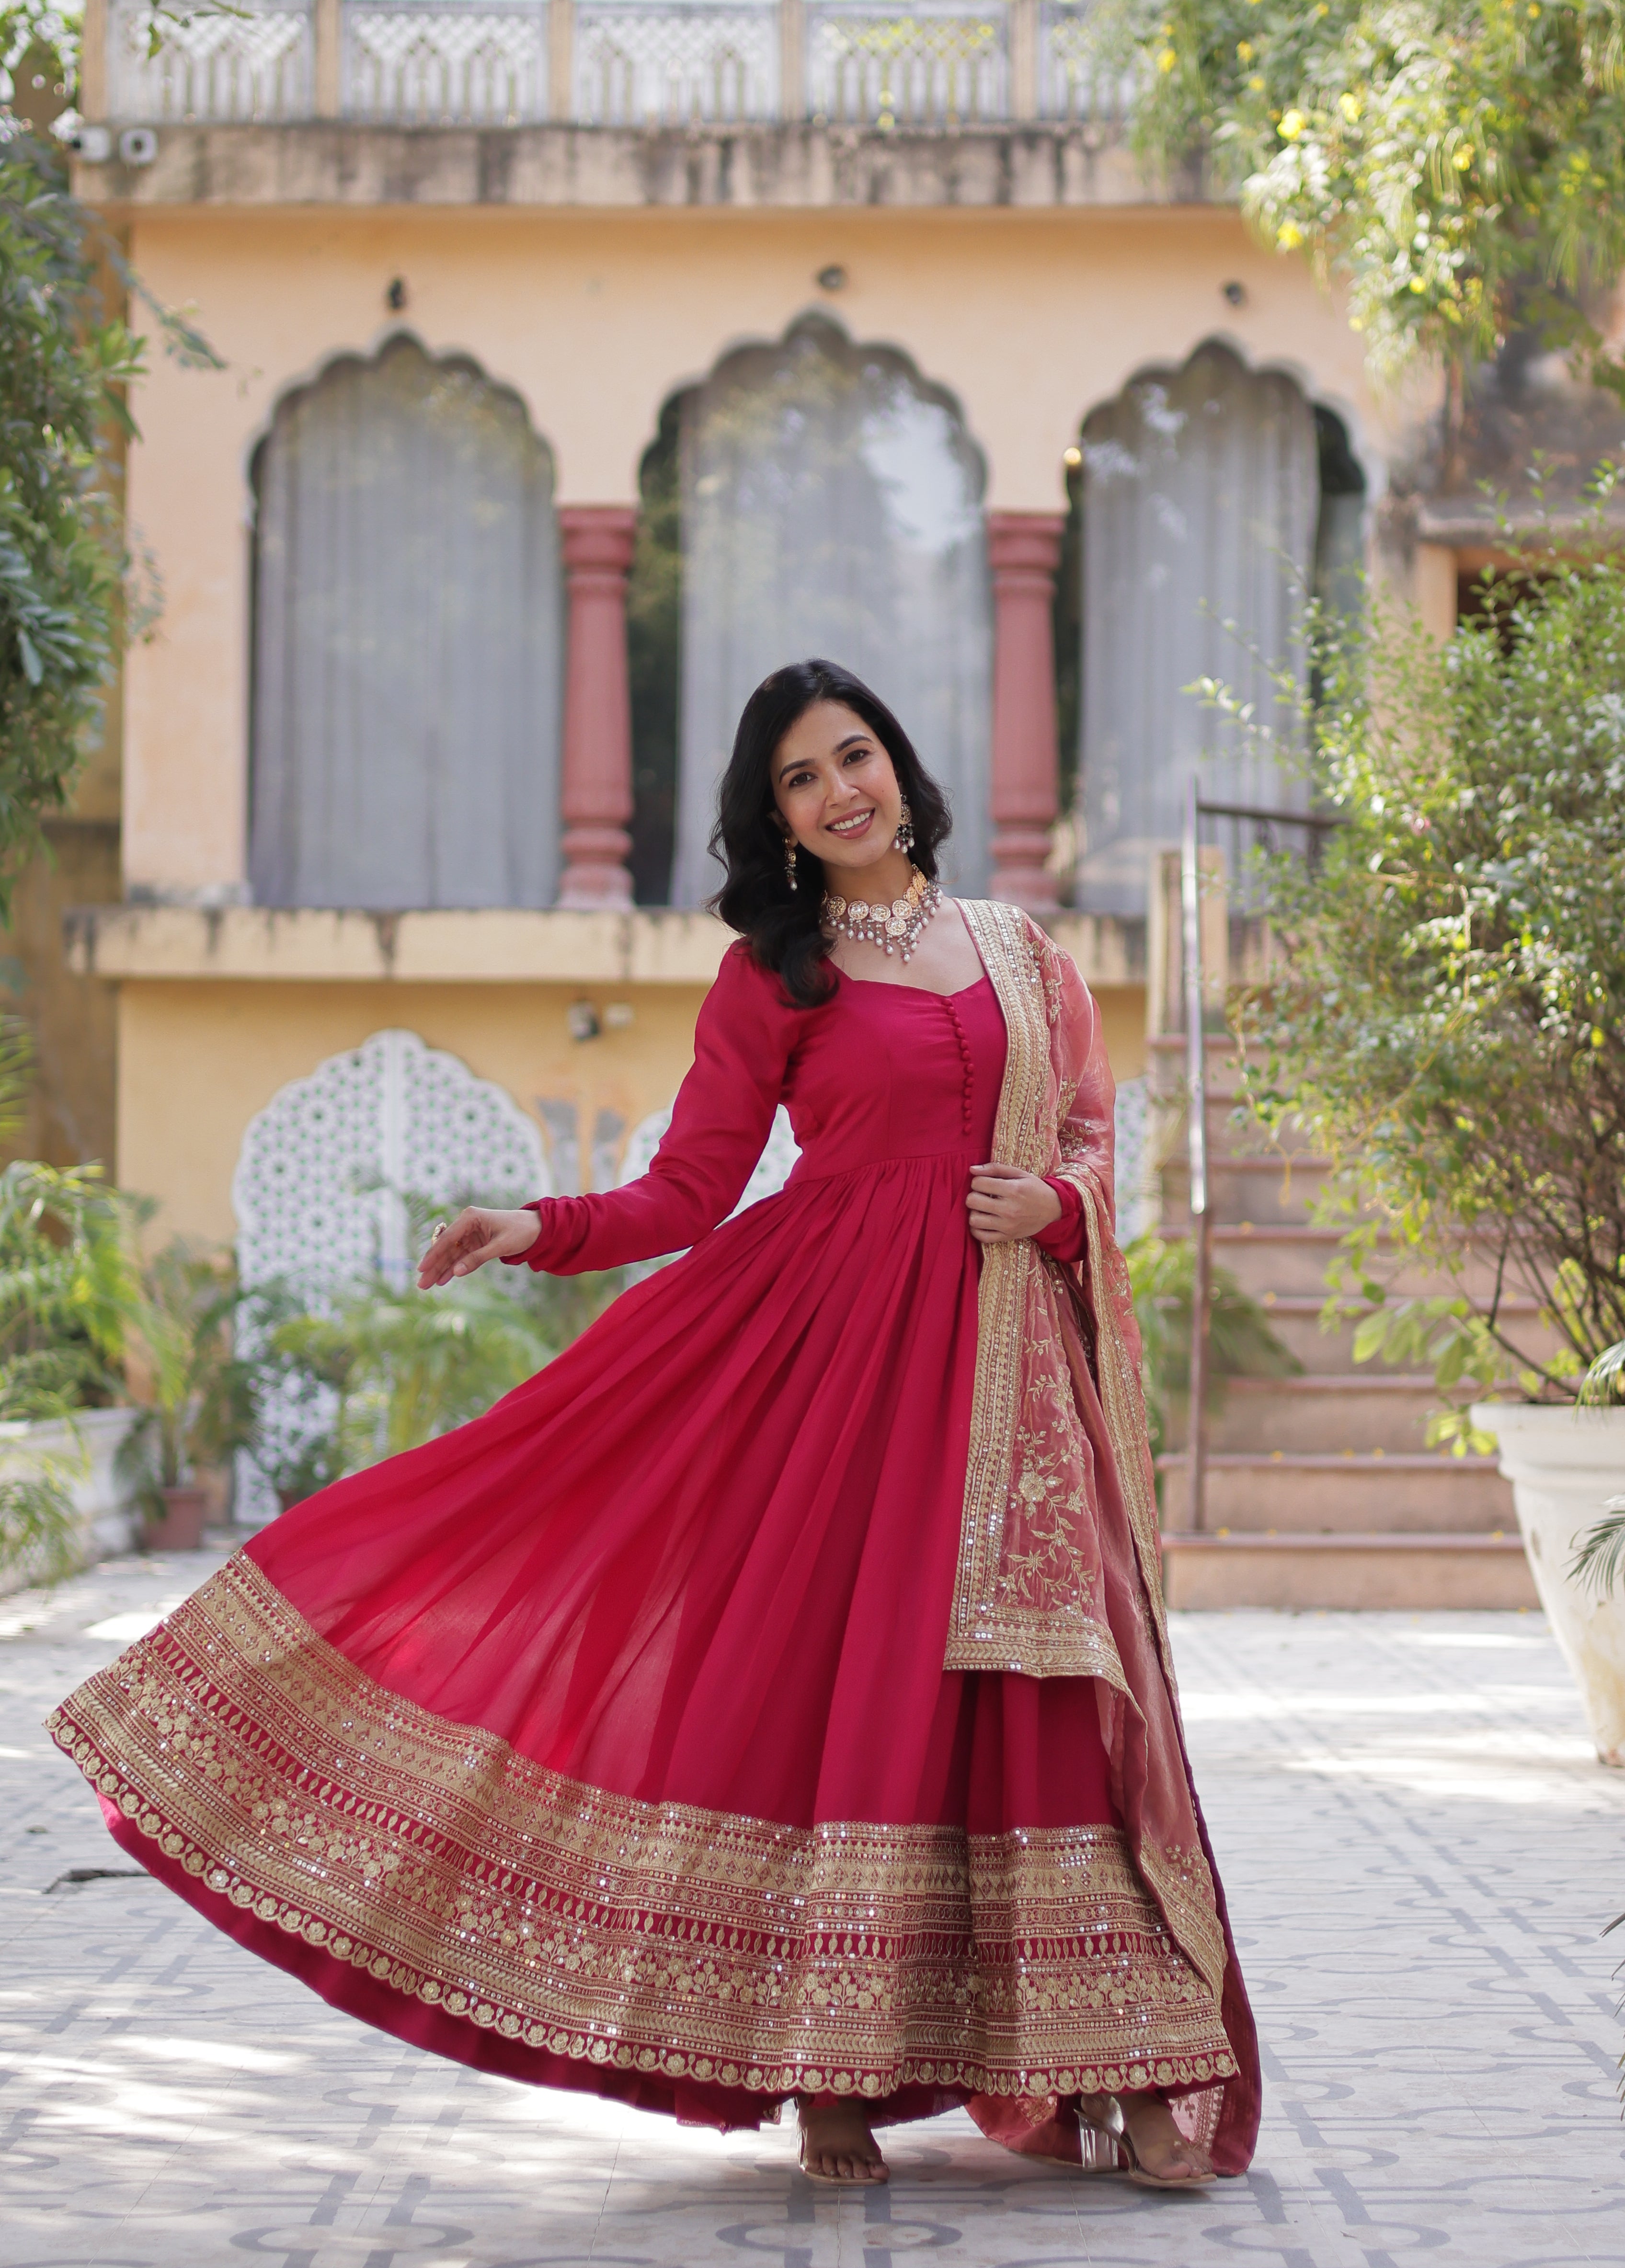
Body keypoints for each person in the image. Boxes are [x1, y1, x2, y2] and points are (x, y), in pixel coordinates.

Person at [49, 660, 1258, 2188]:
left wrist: (1062, 1208)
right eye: (800, 781)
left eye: (854, 756)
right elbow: (691, 1188)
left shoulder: (1028, 955)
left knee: (1058, 1697)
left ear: (899, 766)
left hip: (1017, 1385)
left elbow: (1087, 1133)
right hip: (838, 1381)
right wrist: (538, 1224)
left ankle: (1132, 2067)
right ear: (779, 823)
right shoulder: (776, 980)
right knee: (835, 1698)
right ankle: (821, 2067)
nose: (839, 792)